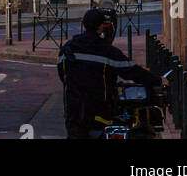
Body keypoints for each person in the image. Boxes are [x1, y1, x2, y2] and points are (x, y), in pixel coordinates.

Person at [57, 7, 157, 139]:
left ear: (84, 25)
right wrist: (158, 80)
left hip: (73, 113)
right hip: (100, 113)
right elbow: (132, 71)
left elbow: (62, 75)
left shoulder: (67, 49)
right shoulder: (107, 51)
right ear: (101, 27)